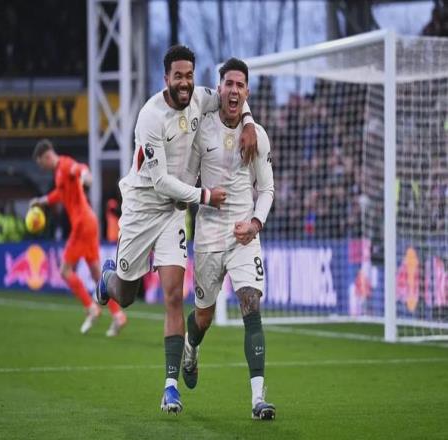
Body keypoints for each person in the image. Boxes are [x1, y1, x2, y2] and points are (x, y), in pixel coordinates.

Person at [96, 45, 258, 414]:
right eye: (178, 76)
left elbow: (232, 96)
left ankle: (170, 387)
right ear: (166, 78)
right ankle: (107, 282)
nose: (185, 83)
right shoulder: (150, 117)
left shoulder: (201, 98)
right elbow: (161, 182)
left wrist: (248, 122)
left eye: (189, 76)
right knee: (126, 295)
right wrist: (204, 195)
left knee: (173, 295)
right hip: (142, 208)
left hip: (172, 214)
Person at [180, 58, 276, 420]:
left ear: (247, 91)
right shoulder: (202, 129)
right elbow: (186, 182)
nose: (234, 90)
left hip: (243, 236)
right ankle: (191, 345)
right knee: (203, 317)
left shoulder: (257, 135)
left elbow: (267, 189)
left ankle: (257, 399)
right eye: (228, 84)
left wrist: (255, 223)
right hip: (207, 235)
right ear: (219, 88)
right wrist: (201, 196)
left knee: (251, 305)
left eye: (240, 85)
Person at [30, 139, 126, 337]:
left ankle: (91, 308)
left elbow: (79, 168)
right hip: (88, 221)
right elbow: (60, 194)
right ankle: (118, 315)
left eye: (41, 164)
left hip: (82, 223)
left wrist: (85, 175)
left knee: (65, 270)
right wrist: (42, 201)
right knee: (97, 274)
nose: (42, 168)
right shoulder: (59, 172)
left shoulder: (65, 165)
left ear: (46, 157)